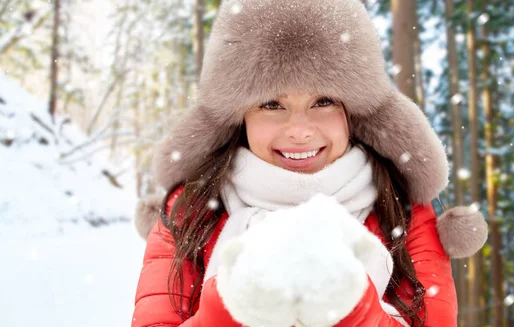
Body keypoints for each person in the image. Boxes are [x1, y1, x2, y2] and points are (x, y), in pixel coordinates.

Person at [131, 0, 487, 326]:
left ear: (354, 114)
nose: (299, 131)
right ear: (239, 118)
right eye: (272, 104)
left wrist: (352, 305)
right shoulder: (189, 212)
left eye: (324, 101)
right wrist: (231, 304)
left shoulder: (403, 213)